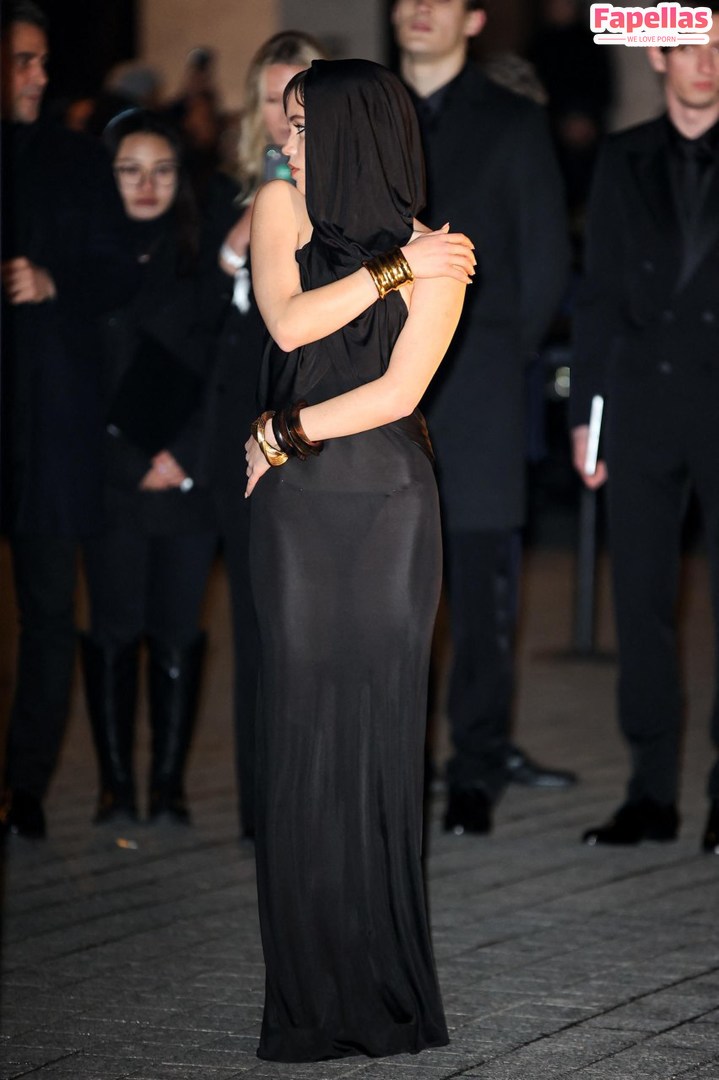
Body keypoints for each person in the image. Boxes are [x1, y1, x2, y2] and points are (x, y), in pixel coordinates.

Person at [245, 58, 474, 1061]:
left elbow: (398, 392)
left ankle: (385, 999)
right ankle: (306, 1004)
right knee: (301, 737)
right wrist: (390, 273)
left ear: (354, 131)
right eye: (287, 123)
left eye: (304, 125)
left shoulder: (441, 250)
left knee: (381, 743)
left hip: (389, 506)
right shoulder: (279, 208)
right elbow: (289, 320)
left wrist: (284, 432)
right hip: (298, 514)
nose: (287, 141)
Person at [391, 0, 574, 837]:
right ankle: (393, 765)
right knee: (383, 596)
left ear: (471, 19)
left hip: (479, 390)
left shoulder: (511, 119)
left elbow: (544, 263)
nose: (418, 9)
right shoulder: (368, 112)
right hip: (374, 386)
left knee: (479, 597)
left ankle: (474, 767)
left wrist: (492, 353)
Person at [571, 19, 719, 853]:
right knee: (640, 604)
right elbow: (596, 292)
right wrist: (583, 418)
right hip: (639, 406)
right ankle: (649, 792)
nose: (706, 62)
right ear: (658, 54)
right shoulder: (621, 156)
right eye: (691, 45)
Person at [0, 1, 137, 839]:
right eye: (23, 60)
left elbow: (119, 269)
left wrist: (54, 282)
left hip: (48, 426)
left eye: (43, 60)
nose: (39, 76)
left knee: (49, 611)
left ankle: (25, 786)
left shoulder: (75, 157)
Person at [79, 109, 221, 827]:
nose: (146, 185)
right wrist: (132, 460)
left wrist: (183, 458)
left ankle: (168, 787)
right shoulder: (81, 266)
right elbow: (73, 383)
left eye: (162, 171)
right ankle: (114, 786)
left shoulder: (203, 264)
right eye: (129, 170)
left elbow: (223, 369)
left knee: (176, 631)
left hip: (187, 483)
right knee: (113, 629)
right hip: (114, 480)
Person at [208, 31, 326, 840]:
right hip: (239, 421)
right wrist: (232, 248)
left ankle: (321, 796)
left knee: (319, 616)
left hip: (318, 419)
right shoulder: (223, 189)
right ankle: (263, 808)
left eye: (299, 103)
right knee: (254, 619)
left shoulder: (346, 193)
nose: (284, 121)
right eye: (270, 101)